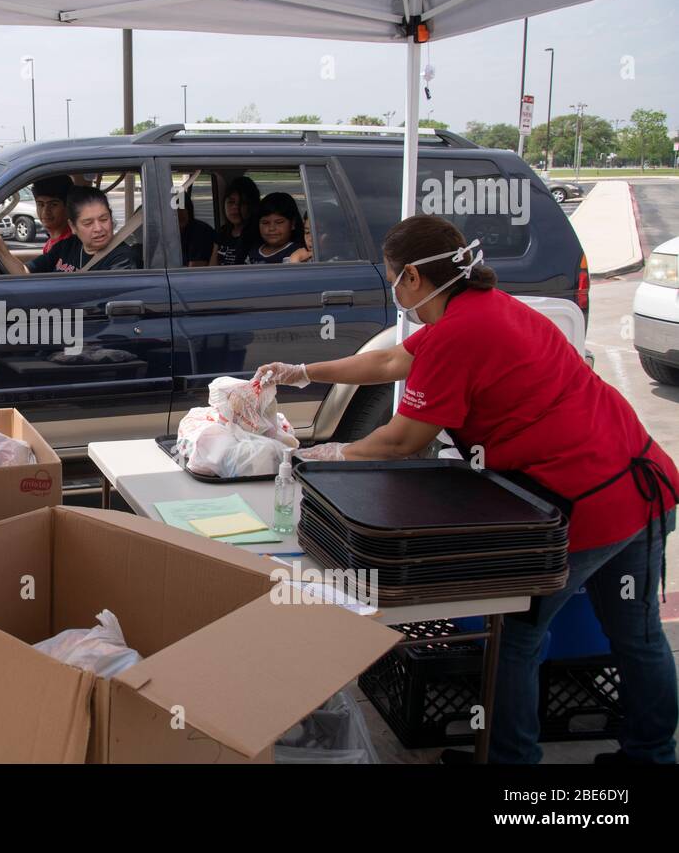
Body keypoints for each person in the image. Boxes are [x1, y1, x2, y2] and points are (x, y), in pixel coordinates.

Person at [257, 214, 678, 765]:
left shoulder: (461, 332)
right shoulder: (487, 310)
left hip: (582, 506)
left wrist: (320, 455)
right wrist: (302, 372)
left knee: (516, 639)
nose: (392, 285)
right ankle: (653, 756)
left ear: (410, 276)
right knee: (639, 635)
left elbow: (400, 442)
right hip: (642, 481)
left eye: (391, 275)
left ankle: (512, 766)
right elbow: (390, 360)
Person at [0, 186, 134, 273]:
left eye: (104, 219)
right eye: (88, 223)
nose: (98, 228)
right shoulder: (67, 246)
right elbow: (24, 272)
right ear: (73, 227)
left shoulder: (121, 258)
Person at [209, 176, 261, 266]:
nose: (235, 207)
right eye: (231, 202)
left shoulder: (258, 235)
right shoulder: (222, 232)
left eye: (242, 203)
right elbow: (212, 268)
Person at [247, 192, 302, 263]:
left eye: (279, 222)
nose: (271, 228)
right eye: (265, 223)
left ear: (292, 224)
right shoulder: (253, 251)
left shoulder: (297, 253)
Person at [32, 174, 74, 254]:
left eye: (53, 204)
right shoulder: (50, 243)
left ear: (67, 206)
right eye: (41, 204)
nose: (45, 211)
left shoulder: (72, 242)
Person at [177, 193, 215, 267]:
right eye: (175, 209)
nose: (180, 213)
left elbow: (194, 271)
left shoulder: (200, 231)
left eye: (183, 208)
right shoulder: (170, 234)